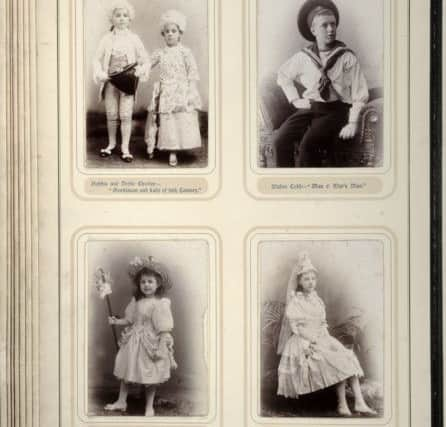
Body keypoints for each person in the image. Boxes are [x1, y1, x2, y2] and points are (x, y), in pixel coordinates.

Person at [277, 252, 376, 416]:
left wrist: (329, 342)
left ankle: (359, 402)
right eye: (306, 279)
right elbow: (298, 328)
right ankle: (342, 404)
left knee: (345, 355)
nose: (310, 282)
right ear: (299, 282)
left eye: (313, 278)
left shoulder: (317, 300)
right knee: (336, 360)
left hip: (321, 337)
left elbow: (322, 324)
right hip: (303, 342)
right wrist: (312, 342)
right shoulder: (296, 301)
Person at [273, 0, 369, 167]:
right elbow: (283, 75)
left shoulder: (346, 57)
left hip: (335, 111)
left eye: (333, 24)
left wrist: (352, 122)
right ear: (313, 30)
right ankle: (286, 183)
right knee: (280, 141)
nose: (331, 29)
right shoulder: (304, 57)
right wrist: (295, 100)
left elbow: (359, 94)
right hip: (309, 108)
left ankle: (309, 189)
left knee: (308, 147)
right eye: (325, 25)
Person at [104, 256, 177, 416]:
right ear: (139, 284)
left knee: (150, 373)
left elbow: (163, 328)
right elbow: (130, 320)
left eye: (150, 281)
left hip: (150, 342)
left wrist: (162, 344)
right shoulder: (136, 302)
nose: (146, 285)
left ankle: (149, 406)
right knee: (126, 370)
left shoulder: (160, 304)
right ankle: (121, 401)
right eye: (143, 282)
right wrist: (116, 321)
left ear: (158, 284)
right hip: (133, 341)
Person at [92, 0, 149, 163]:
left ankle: (125, 148)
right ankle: (111, 144)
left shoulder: (134, 38)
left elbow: (144, 60)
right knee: (111, 114)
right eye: (118, 15)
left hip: (127, 83)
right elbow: (96, 59)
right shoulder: (106, 39)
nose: (122, 18)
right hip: (110, 81)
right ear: (112, 19)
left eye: (125, 15)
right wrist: (100, 72)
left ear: (130, 18)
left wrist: (140, 70)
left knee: (125, 115)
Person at [144, 9, 202, 167]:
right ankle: (172, 151)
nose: (170, 34)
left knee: (181, 120)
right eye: (167, 31)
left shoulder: (185, 52)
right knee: (168, 122)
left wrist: (191, 90)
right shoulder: (160, 53)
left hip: (181, 90)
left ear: (179, 33)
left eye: (173, 31)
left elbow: (193, 72)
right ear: (163, 34)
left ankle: (179, 148)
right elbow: (147, 65)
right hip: (167, 91)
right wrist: (141, 68)